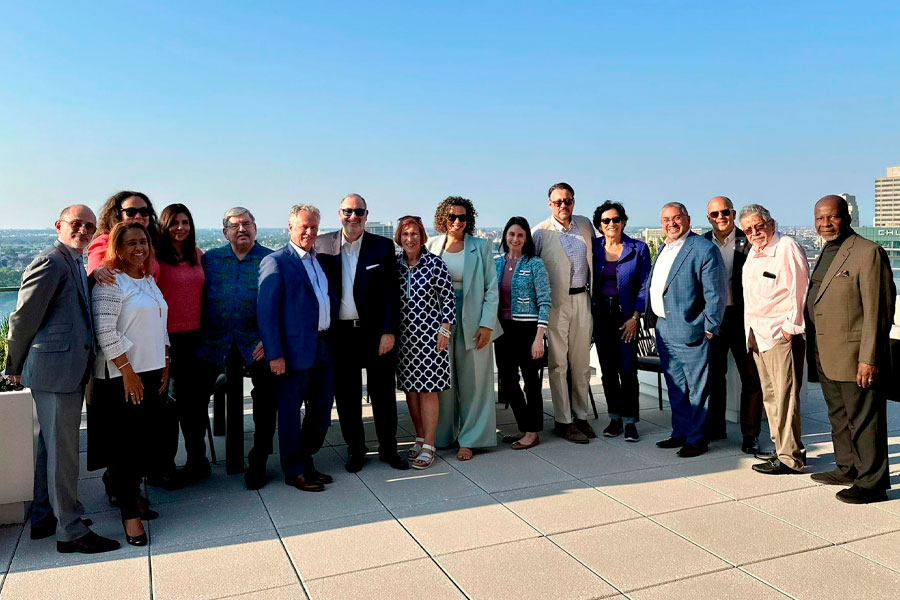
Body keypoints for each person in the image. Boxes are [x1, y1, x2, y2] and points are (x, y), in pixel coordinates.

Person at [6, 205, 120, 554]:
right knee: (64, 455)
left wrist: (92, 277)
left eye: (89, 226)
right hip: (55, 373)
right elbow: (23, 318)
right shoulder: (50, 261)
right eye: (76, 224)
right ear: (59, 225)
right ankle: (70, 531)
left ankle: (44, 517)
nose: (83, 230)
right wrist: (13, 365)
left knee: (50, 448)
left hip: (63, 370)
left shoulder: (73, 261)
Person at [806, 195, 895, 503]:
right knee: (839, 415)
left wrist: (869, 358)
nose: (825, 224)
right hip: (825, 351)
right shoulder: (827, 250)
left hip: (855, 355)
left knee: (865, 420)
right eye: (819, 218)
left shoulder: (868, 252)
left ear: (847, 217)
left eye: (832, 217)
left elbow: (878, 311)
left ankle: (872, 483)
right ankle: (847, 468)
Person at [315, 194, 407, 472]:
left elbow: (391, 293)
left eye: (359, 212)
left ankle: (388, 449)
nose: (353, 217)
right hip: (340, 335)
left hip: (376, 333)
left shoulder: (382, 246)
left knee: (383, 395)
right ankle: (356, 450)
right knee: (347, 397)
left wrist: (389, 332)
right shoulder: (322, 245)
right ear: (339, 214)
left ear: (367, 215)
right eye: (348, 211)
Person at [91, 223, 169, 546]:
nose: (139, 248)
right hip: (122, 377)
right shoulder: (110, 282)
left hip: (151, 372)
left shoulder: (148, 280)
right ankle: (130, 518)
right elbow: (105, 332)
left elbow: (161, 323)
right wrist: (127, 371)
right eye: (131, 243)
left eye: (143, 242)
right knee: (124, 450)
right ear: (118, 249)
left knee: (142, 445)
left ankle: (133, 496)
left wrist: (166, 359)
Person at [194, 207, 278, 490]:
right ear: (224, 232)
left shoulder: (271, 259)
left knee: (267, 397)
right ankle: (196, 460)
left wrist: (270, 339)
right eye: (235, 225)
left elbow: (284, 303)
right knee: (191, 397)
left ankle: (258, 460)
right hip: (213, 342)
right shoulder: (210, 260)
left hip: (256, 343)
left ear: (255, 228)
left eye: (247, 224)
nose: (242, 229)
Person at [258, 204, 337, 492]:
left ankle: (306, 459)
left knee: (322, 408)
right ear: (290, 227)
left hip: (323, 346)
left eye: (314, 227)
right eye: (304, 226)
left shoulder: (319, 260)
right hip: (292, 353)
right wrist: (275, 354)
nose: (310, 232)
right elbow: (266, 312)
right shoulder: (276, 261)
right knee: (290, 413)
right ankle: (294, 471)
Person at [425, 197, 501, 461]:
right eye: (452, 217)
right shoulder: (431, 246)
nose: (457, 221)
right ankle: (443, 435)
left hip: (474, 320)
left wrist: (487, 324)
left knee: (474, 383)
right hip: (439, 322)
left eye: (462, 217)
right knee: (442, 380)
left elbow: (491, 288)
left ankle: (470, 439)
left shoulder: (481, 246)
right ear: (442, 218)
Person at [648, 202, 726, 458]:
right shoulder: (664, 247)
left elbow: (716, 293)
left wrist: (709, 328)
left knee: (698, 389)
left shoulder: (704, 249)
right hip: (664, 328)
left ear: (688, 219)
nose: (671, 223)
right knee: (676, 387)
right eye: (666, 219)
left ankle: (697, 439)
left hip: (692, 330)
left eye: (676, 218)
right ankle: (680, 432)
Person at [739, 205, 809, 475]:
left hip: (780, 335)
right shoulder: (754, 253)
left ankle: (791, 458)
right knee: (770, 396)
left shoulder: (786, 247)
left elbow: (800, 289)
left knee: (786, 397)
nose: (754, 232)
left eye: (759, 226)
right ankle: (781, 449)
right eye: (748, 229)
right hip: (757, 334)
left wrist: (790, 328)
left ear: (772, 223)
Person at [533, 182, 596, 443]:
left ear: (574, 201)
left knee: (581, 363)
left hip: (583, 298)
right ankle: (563, 420)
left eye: (567, 200)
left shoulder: (585, 225)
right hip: (556, 304)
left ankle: (581, 416)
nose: (563, 205)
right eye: (558, 201)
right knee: (558, 364)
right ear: (550, 204)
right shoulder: (539, 232)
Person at [704, 196, 764, 454]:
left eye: (725, 212)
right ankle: (716, 428)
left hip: (744, 318)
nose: (721, 217)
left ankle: (750, 434)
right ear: (708, 218)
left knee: (751, 377)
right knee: (714, 377)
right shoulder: (701, 243)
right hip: (714, 319)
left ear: (733, 213)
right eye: (715, 214)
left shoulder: (749, 240)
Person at [395, 216, 456, 469]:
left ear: (422, 237)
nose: (410, 238)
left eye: (415, 234)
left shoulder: (435, 264)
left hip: (431, 337)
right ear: (399, 237)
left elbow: (448, 299)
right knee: (411, 390)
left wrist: (445, 330)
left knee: (428, 389)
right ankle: (419, 437)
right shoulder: (395, 265)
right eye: (405, 234)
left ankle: (430, 444)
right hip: (404, 339)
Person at [156, 203, 209, 484]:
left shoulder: (197, 255)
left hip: (196, 339)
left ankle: (197, 462)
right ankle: (164, 467)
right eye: (174, 222)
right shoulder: (155, 257)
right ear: (164, 226)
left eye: (185, 222)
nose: (180, 228)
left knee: (195, 405)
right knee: (170, 407)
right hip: (166, 341)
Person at [591, 201, 651, 442]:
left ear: (623, 222)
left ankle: (630, 421)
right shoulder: (593, 247)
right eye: (606, 220)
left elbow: (645, 285)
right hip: (600, 315)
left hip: (626, 316)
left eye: (616, 219)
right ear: (599, 225)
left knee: (627, 369)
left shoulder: (638, 248)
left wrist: (636, 317)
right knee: (607, 369)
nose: (611, 224)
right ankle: (614, 417)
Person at [494, 217, 551, 450]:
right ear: (505, 236)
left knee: (531, 382)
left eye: (520, 235)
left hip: (528, 330)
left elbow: (545, 301)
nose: (515, 239)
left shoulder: (534, 263)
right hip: (502, 330)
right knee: (508, 381)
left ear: (526, 238)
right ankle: (524, 426)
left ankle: (533, 431)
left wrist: (539, 337)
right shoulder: (497, 263)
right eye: (511, 234)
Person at [88, 190, 160, 278]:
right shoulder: (105, 241)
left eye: (144, 211)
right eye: (131, 212)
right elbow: (97, 276)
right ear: (117, 215)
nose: (138, 216)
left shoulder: (151, 242)